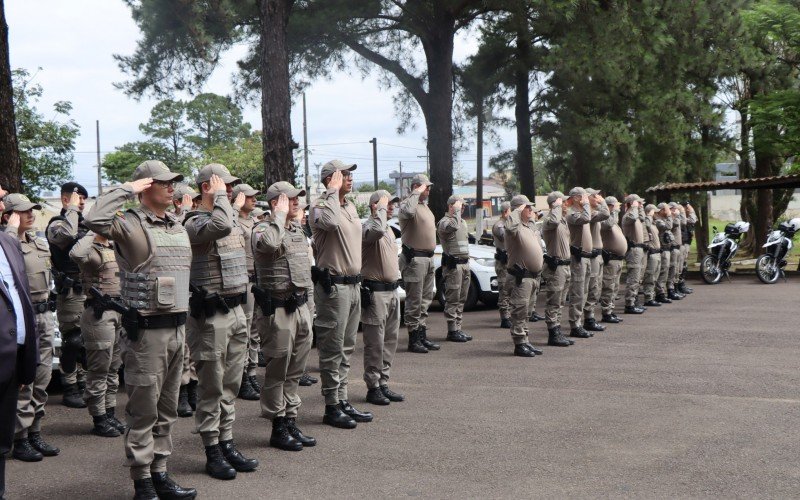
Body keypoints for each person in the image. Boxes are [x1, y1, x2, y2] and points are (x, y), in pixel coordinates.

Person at [84, 160, 197, 499]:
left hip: (178, 329)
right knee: (143, 410)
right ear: (145, 186)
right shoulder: (130, 225)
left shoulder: (176, 225)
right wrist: (125, 190)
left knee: (167, 410)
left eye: (173, 182)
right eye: (164, 182)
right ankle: (142, 480)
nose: (171, 187)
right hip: (147, 334)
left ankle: (160, 472)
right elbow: (94, 219)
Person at [184, 163, 257, 480]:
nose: (230, 191)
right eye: (223, 186)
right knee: (212, 388)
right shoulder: (195, 224)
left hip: (236, 311)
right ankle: (212, 448)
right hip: (211, 318)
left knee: (231, 384)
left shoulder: (229, 220)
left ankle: (226, 441)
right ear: (205, 188)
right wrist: (221, 200)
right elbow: (223, 225)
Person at [252, 181, 316, 450]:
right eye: (290, 199)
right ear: (275, 203)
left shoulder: (297, 230)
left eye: (297, 199)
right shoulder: (263, 229)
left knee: (295, 371)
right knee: (277, 370)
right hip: (277, 310)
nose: (296, 203)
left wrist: (310, 311)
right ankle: (277, 425)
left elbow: (306, 274)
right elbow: (268, 245)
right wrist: (278, 216)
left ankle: (290, 418)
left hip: (300, 307)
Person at [310, 160, 373, 429]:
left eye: (349, 174)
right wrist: (333, 192)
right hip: (334, 287)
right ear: (329, 179)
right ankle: (331, 405)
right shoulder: (321, 206)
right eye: (343, 174)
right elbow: (331, 224)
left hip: (353, 285)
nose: (349, 178)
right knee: (332, 349)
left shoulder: (347, 206)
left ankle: (343, 398)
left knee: (347, 348)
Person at [2, 195, 58, 461]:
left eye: (32, 210)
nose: (30, 214)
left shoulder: (38, 242)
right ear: (9, 216)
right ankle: (20, 436)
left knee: (43, 376)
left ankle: (35, 430)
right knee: (25, 378)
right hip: (23, 318)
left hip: (45, 315)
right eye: (23, 211)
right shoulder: (5, 244)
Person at [69, 230, 125, 438]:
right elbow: (75, 255)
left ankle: (109, 412)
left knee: (113, 366)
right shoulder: (90, 249)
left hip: (119, 310)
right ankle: (99, 417)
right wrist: (92, 232)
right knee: (99, 368)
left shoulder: (114, 246)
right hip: (99, 313)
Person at [0, 202, 39, 500]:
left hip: (11, 360)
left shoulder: (7, 243)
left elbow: (21, 299)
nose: (3, 204)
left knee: (1, 444)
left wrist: (25, 360)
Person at [46, 181, 89, 409]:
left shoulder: (86, 224)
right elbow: (68, 235)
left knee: (88, 342)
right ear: (65, 199)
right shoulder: (57, 225)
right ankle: (70, 386)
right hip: (71, 292)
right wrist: (71, 210)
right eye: (77, 198)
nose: (81, 202)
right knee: (73, 340)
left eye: (83, 198)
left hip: (91, 290)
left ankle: (83, 384)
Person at [361, 190, 405, 405]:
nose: (390, 207)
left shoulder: (388, 229)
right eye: (385, 204)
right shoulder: (370, 227)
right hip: (376, 292)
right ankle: (373, 386)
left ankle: (383, 382)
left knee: (390, 340)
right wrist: (379, 212)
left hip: (391, 290)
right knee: (375, 342)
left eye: (392, 204)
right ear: (373, 206)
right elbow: (375, 231)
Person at [398, 174, 440, 354]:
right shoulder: (408, 204)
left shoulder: (424, 207)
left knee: (425, 299)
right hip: (415, 259)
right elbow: (407, 212)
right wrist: (416, 193)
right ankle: (413, 339)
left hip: (428, 258)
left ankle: (421, 335)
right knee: (414, 301)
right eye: (425, 187)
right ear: (416, 187)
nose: (428, 190)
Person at [231, 183, 262, 402]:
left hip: (258, 281)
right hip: (244, 281)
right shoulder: (233, 222)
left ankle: (251, 373)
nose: (254, 199)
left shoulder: (254, 222)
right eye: (249, 196)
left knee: (255, 331)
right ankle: (242, 376)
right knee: (245, 329)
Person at [503, 195, 545, 357]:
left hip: (533, 276)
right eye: (527, 207)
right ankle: (519, 343)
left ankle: (525, 340)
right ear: (519, 209)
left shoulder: (528, 226)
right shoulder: (513, 227)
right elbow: (509, 227)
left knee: (527, 311)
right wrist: (516, 211)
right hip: (521, 277)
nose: (531, 209)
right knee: (519, 311)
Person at [437, 195, 472, 343]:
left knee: (462, 298)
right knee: (453, 298)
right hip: (454, 266)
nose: (462, 209)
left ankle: (458, 328)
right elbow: (453, 226)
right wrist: (456, 212)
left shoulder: (462, 222)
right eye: (459, 206)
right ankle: (452, 331)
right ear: (451, 206)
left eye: (463, 206)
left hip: (464, 264)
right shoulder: (444, 222)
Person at [541, 192, 573, 347]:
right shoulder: (549, 220)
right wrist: (556, 206)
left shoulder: (562, 220)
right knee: (554, 301)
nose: (566, 204)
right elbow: (553, 220)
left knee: (560, 301)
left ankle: (557, 331)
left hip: (565, 265)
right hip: (556, 267)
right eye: (563, 202)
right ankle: (553, 333)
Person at [565, 187, 594, 339]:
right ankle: (575, 325)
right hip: (578, 258)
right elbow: (586, 218)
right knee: (577, 292)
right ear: (576, 198)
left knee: (584, 291)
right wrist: (587, 205)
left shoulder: (584, 211)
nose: (587, 199)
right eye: (584, 196)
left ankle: (580, 322)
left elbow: (603, 214)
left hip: (586, 257)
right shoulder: (572, 213)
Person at [599, 196, 626, 323]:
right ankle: (606, 312)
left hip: (617, 259)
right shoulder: (604, 220)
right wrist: (613, 211)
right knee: (608, 286)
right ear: (610, 206)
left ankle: (611, 310)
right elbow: (608, 224)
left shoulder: (613, 220)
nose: (619, 208)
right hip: (610, 258)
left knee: (615, 286)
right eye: (616, 206)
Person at [622, 194, 646, 314]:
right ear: (632, 204)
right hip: (633, 250)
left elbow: (642, 218)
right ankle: (629, 304)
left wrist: (639, 207)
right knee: (633, 278)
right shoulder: (628, 216)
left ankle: (634, 301)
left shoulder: (636, 216)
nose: (641, 205)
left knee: (637, 278)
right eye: (638, 203)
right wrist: (634, 207)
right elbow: (633, 216)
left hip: (639, 249)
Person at [492, 202, 512, 329]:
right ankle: (505, 317)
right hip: (503, 262)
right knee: (504, 289)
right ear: (505, 212)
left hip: (510, 261)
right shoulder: (500, 225)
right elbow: (507, 237)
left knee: (511, 289)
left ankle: (510, 314)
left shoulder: (507, 224)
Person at [641, 204, 663, 308]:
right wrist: (649, 215)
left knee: (655, 276)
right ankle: (648, 298)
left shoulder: (654, 223)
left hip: (658, 252)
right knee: (650, 276)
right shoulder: (647, 221)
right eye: (655, 212)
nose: (657, 214)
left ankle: (652, 296)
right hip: (652, 253)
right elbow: (647, 224)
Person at [654, 203, 674, 304]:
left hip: (667, 249)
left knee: (665, 271)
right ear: (661, 210)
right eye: (666, 210)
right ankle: (659, 293)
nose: (668, 211)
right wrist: (670, 215)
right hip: (662, 250)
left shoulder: (663, 219)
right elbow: (669, 226)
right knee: (662, 272)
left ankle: (662, 292)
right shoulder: (658, 221)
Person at [667, 202, 685, 301]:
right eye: (673, 209)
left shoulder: (674, 217)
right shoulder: (671, 219)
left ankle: (675, 287)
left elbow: (683, 222)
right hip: (673, 247)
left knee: (677, 269)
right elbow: (677, 223)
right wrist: (677, 214)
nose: (675, 210)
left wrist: (680, 213)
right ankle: (670, 289)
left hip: (678, 247)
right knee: (673, 269)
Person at [677, 202, 697, 295]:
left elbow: (694, 219)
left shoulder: (684, 217)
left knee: (684, 265)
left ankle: (681, 284)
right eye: (686, 207)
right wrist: (691, 211)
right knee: (679, 266)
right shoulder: (681, 218)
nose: (688, 209)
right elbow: (692, 220)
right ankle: (678, 286)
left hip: (686, 243)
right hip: (682, 243)